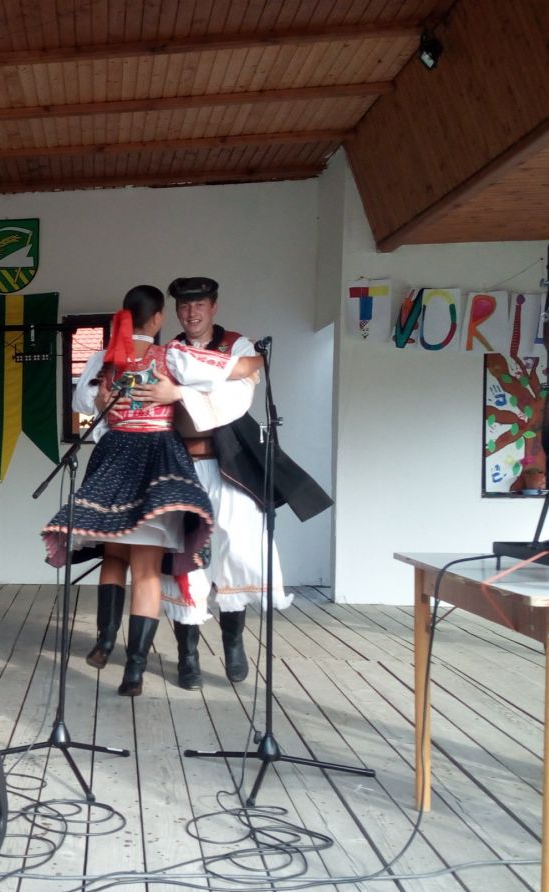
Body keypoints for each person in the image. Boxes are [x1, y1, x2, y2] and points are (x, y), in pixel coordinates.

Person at [43, 285, 262, 697]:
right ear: (159, 318)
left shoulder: (104, 358)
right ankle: (135, 672)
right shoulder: (172, 356)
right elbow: (223, 370)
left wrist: (102, 399)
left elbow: (83, 401)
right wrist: (256, 360)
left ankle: (105, 640)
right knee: (146, 572)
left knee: (113, 558)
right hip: (156, 462)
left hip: (114, 460)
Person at [127, 276, 332, 688]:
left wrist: (180, 395)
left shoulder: (239, 346)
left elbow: (236, 401)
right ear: (176, 311)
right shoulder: (170, 352)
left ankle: (233, 640)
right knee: (185, 556)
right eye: (184, 307)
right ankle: (187, 655)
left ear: (214, 307)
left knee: (237, 547)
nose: (192, 313)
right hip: (182, 466)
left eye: (200, 305)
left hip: (230, 464)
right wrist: (191, 387)